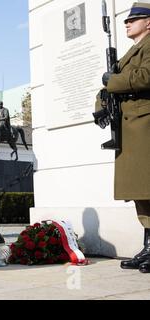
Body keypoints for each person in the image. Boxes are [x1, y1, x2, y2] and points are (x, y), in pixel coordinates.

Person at [95, 3, 150, 273]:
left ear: (149, 23)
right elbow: (108, 86)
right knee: (140, 192)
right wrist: (100, 106)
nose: (127, 23)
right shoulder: (131, 52)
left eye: (134, 20)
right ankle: (149, 246)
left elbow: (145, 76)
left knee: (148, 188)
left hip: (145, 126)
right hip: (130, 129)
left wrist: (112, 80)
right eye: (127, 20)